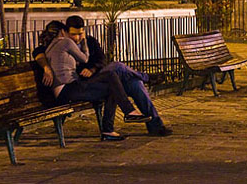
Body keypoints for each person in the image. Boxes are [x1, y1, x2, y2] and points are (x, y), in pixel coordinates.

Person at [34, 17, 172, 138]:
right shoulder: (56, 45)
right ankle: (146, 79)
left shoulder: (89, 41)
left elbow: (102, 61)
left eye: (80, 33)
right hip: (80, 84)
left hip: (97, 77)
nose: (77, 37)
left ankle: (155, 125)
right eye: (73, 34)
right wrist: (46, 67)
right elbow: (40, 55)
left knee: (134, 82)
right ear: (65, 32)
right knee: (118, 70)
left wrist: (92, 69)